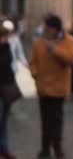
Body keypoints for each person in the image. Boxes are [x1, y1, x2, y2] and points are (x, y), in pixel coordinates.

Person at [29, 14, 73, 159]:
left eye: (47, 28)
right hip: (43, 88)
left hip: (58, 89)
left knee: (56, 121)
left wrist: (55, 50)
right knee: (45, 121)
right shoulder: (39, 43)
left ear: (56, 29)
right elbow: (32, 62)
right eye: (44, 28)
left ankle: (57, 149)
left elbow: (72, 59)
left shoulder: (70, 41)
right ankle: (45, 150)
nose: (44, 31)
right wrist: (35, 74)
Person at [0, 19, 18, 159]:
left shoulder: (6, 47)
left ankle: (4, 149)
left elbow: (8, 66)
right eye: (3, 36)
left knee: (4, 121)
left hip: (6, 90)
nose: (5, 39)